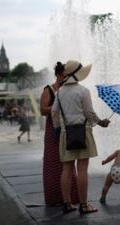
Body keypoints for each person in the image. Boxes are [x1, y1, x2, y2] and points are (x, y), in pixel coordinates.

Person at [52, 60, 110, 215]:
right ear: (77, 74)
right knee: (82, 169)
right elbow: (89, 113)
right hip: (82, 133)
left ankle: (67, 204)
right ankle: (84, 206)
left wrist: (58, 128)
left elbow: (54, 113)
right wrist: (100, 122)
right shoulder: (83, 91)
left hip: (66, 135)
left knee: (66, 169)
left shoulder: (59, 92)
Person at [40, 62, 79, 206]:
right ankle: (54, 197)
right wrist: (57, 107)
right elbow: (42, 110)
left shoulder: (69, 89)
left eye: (67, 75)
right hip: (53, 131)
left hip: (68, 129)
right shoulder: (48, 90)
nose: (66, 77)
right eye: (64, 75)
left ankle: (71, 197)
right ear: (58, 75)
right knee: (53, 162)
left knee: (68, 162)